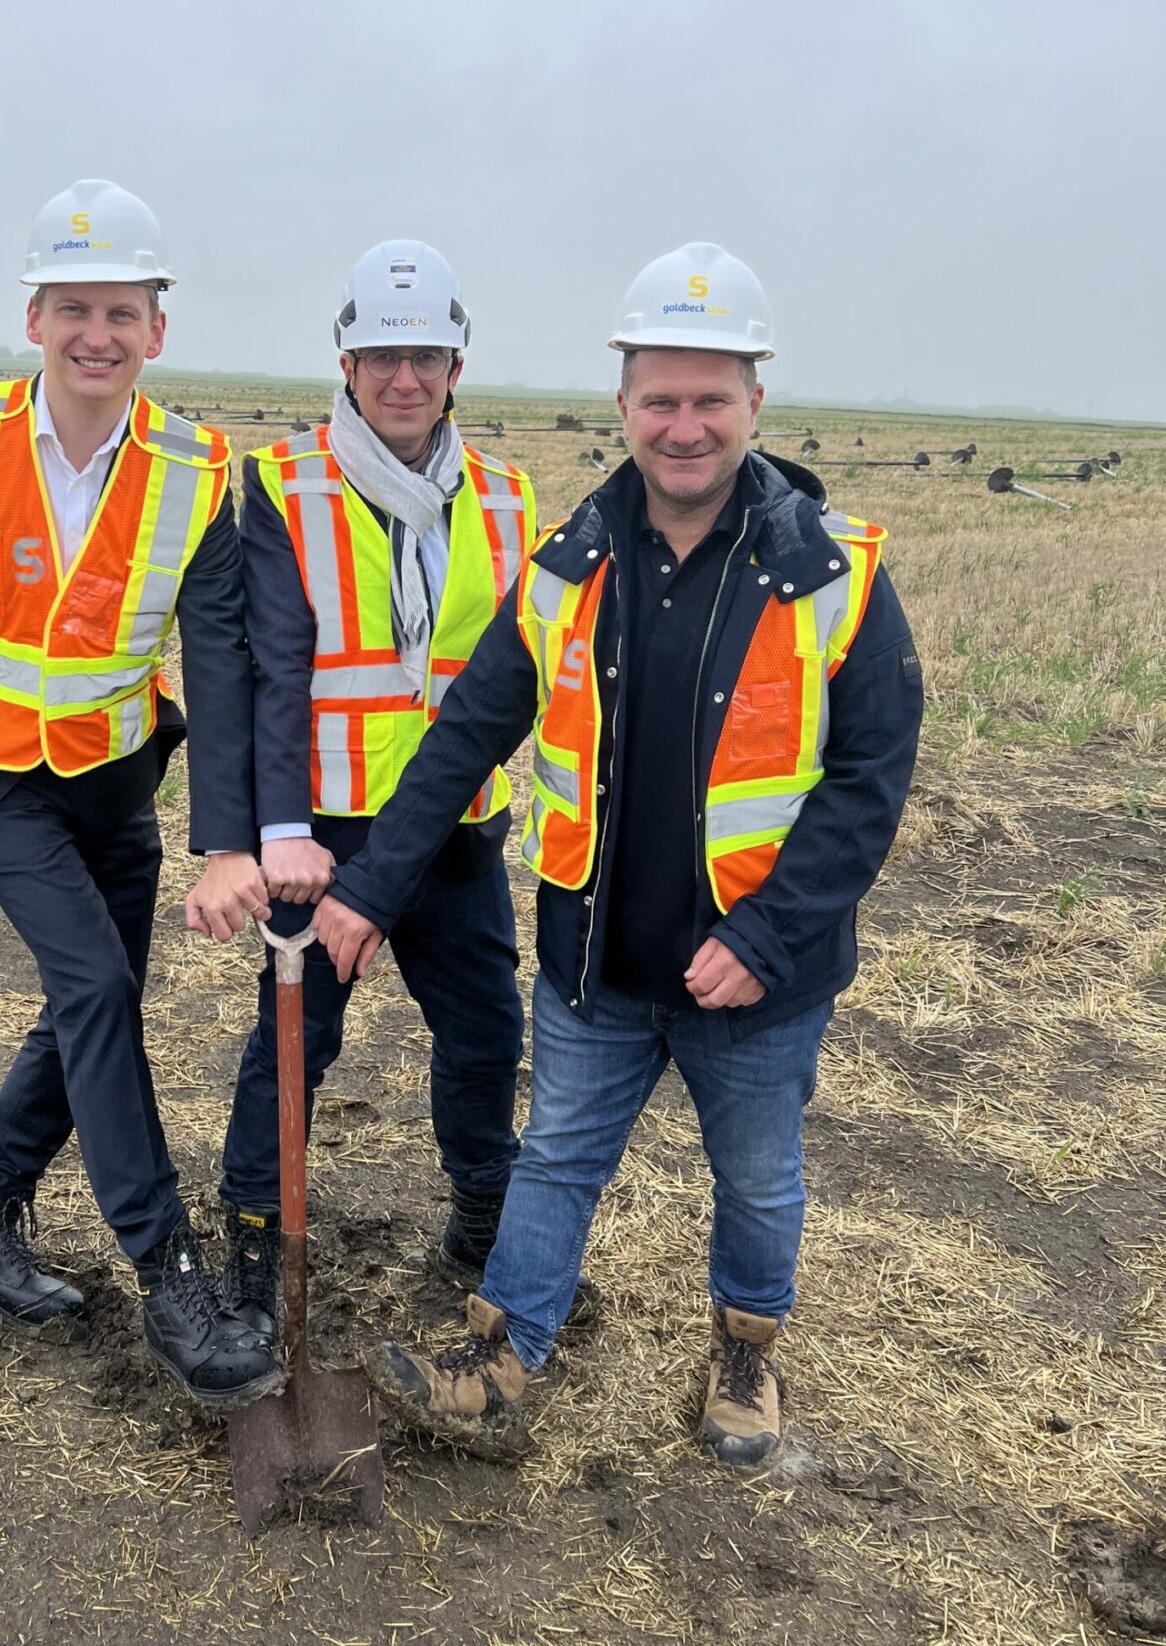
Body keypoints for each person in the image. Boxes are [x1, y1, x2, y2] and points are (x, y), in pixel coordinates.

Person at [315, 244, 924, 1466]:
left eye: (710, 399)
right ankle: (499, 1353)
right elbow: (460, 740)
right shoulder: (565, 567)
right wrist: (368, 888)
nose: (684, 426)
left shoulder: (834, 576)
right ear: (623, 405)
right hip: (595, 960)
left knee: (755, 1179)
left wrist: (764, 939)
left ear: (755, 400)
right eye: (660, 398)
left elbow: (867, 785)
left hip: (756, 977)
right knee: (554, 1159)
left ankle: (745, 1353)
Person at [0, 177, 282, 1408]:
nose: (98, 333)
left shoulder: (197, 465)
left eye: (122, 310)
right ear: (34, 315)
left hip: (113, 766)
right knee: (91, 984)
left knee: (101, 991)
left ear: (157, 328)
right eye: (75, 306)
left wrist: (226, 840)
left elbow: (225, 657)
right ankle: (170, 1270)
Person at [201, 242, 536, 1350]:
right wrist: (281, 830)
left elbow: (511, 676)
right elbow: (273, 669)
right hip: (324, 835)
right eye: (383, 355)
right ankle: (256, 1244)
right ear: (345, 362)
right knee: (293, 1045)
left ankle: (480, 1226)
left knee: (485, 1034)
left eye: (426, 356)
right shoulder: (282, 482)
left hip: (452, 828)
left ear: (455, 364)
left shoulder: (503, 496)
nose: (405, 377)